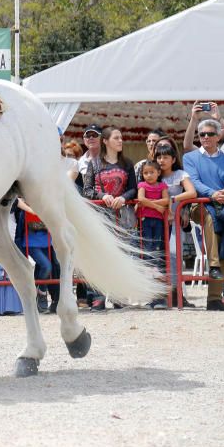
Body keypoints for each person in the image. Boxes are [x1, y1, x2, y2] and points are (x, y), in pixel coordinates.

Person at [81, 126, 137, 311]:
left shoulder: (127, 164)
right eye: (116, 138)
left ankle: (118, 294)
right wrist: (101, 195)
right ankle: (96, 296)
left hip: (120, 217)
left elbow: (133, 188)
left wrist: (124, 198)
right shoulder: (94, 163)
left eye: (121, 137)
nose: (120, 141)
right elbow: (86, 190)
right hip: (99, 216)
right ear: (105, 141)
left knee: (120, 254)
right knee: (97, 255)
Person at [182, 118, 224, 311]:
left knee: (222, 242)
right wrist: (213, 194)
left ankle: (214, 299)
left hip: (223, 206)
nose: (205, 137)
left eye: (210, 134)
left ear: (219, 136)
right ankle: (214, 265)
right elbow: (194, 182)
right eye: (202, 134)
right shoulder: (190, 157)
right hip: (200, 206)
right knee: (209, 219)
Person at [155, 141, 197, 308]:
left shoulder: (180, 174)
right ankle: (161, 294)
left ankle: (176, 292)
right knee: (158, 256)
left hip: (174, 221)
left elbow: (192, 192)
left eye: (165, 157)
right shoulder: (153, 174)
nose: (161, 160)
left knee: (174, 254)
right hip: (157, 222)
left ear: (173, 159)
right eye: (158, 156)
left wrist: (173, 199)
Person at [12, 198, 60, 313]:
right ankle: (41, 292)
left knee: (47, 268)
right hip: (31, 242)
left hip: (46, 241)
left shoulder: (48, 205)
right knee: (46, 266)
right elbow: (20, 227)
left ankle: (39, 294)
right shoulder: (26, 206)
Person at [136, 160, 169, 307]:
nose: (148, 176)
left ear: (158, 173)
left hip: (158, 220)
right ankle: (150, 268)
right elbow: (140, 198)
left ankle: (155, 268)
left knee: (157, 244)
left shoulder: (162, 186)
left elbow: (167, 199)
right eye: (145, 173)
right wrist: (157, 205)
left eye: (151, 172)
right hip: (146, 219)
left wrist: (152, 204)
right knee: (147, 244)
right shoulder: (142, 185)